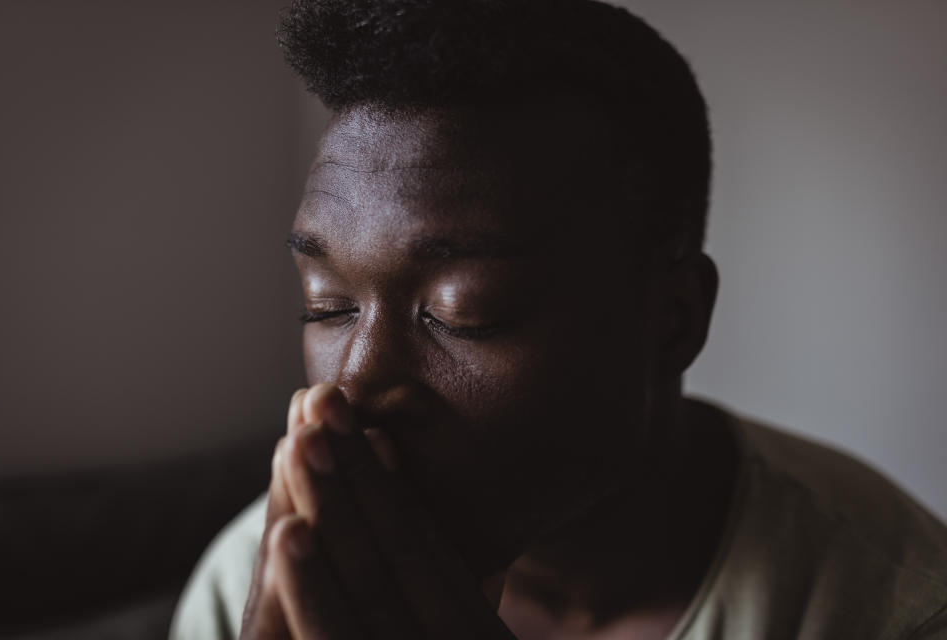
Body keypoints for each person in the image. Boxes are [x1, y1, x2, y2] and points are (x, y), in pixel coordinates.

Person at [170, 0, 947, 638]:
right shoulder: (255, 582)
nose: (359, 383)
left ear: (672, 320)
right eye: (327, 306)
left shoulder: (892, 604)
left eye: (462, 315)